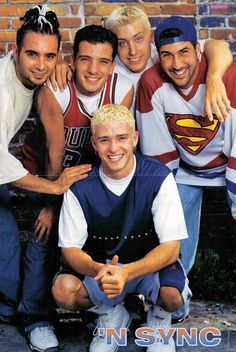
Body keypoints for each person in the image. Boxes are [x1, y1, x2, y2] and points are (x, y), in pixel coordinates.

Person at [20, 24, 134, 349]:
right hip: (48, 176)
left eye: (102, 61)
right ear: (72, 59)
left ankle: (103, 313)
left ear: (113, 65)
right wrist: (50, 205)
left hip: (88, 183)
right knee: (44, 236)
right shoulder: (54, 89)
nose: (93, 69)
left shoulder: (122, 88)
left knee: (100, 239)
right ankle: (36, 319)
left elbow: (114, 151)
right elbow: (55, 154)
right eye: (85, 60)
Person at [52, 104, 191, 352]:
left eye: (122, 138)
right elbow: (69, 249)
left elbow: (171, 248)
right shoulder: (80, 186)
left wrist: (127, 272)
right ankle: (112, 316)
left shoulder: (158, 177)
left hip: (148, 267)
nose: (114, 148)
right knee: (64, 291)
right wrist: (98, 269)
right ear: (94, 143)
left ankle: (159, 321)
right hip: (103, 269)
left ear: (135, 139)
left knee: (172, 296)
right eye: (104, 140)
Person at [0, 5, 91, 352]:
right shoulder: (3, 91)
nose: (41, 64)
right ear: (15, 51)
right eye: (32, 54)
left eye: (49, 56)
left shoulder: (40, 77)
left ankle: (11, 314)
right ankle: (17, 317)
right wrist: (54, 189)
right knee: (8, 257)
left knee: (8, 253)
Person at [136, 16, 236, 276]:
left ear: (198, 50)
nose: (177, 64)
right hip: (186, 171)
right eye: (167, 55)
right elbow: (160, 156)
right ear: (158, 56)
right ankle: (175, 299)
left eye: (183, 52)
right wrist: (165, 207)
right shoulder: (151, 83)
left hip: (230, 165)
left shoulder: (228, 77)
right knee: (167, 231)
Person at [105, 6, 232, 121]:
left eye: (138, 39)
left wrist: (214, 78)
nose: (133, 51)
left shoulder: (166, 53)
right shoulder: (108, 72)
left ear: (151, 37)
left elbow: (220, 46)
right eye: (122, 43)